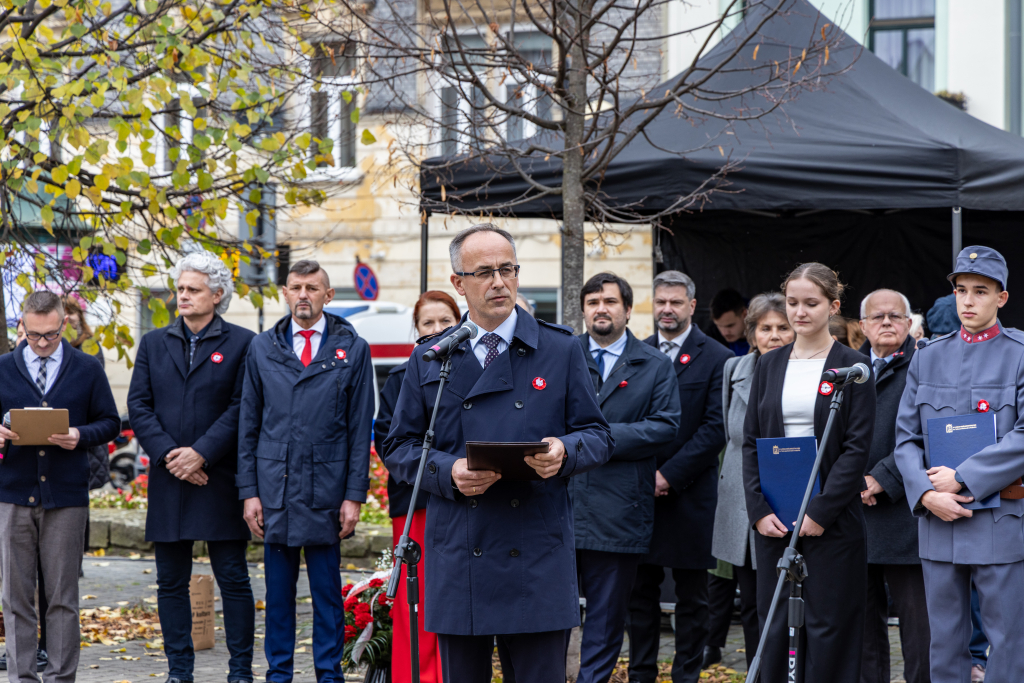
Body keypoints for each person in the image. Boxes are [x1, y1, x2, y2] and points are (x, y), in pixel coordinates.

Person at [382, 223, 613, 682]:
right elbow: (399, 445)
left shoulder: (560, 348)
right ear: (458, 283)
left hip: (535, 551)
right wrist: (448, 472)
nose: (499, 281)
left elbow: (599, 435)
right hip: (460, 550)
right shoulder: (432, 357)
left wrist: (564, 451)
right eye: (484, 271)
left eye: (507, 269)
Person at [237, 260, 374, 683]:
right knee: (277, 597)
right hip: (274, 491)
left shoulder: (352, 348)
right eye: (296, 287)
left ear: (328, 296)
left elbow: (358, 429)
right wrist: (249, 493)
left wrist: (354, 496)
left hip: (326, 493)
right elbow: (249, 425)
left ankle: (328, 675)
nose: (303, 295)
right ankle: (279, 674)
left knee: (328, 597)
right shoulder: (263, 347)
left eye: (312, 288)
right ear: (284, 292)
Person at [895, 246, 1024, 683]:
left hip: (999, 519)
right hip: (939, 522)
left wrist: (963, 477)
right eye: (961, 290)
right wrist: (927, 493)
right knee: (944, 642)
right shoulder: (927, 355)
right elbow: (906, 439)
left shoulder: (1021, 353)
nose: (967, 301)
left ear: (1001, 298)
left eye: (981, 291)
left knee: (1008, 643)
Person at [742, 263, 875, 683]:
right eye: (793, 303)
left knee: (829, 627)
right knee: (775, 625)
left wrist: (820, 513)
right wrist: (758, 510)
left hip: (830, 522)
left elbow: (856, 450)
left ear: (833, 306)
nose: (799, 312)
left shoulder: (854, 367)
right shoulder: (768, 364)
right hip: (775, 520)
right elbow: (750, 442)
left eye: (810, 303)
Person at [127, 252, 257, 683]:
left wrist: (201, 453)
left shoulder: (243, 343)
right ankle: (179, 671)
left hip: (218, 476)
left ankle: (240, 671)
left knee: (233, 578)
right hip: (171, 479)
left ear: (217, 295)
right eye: (179, 289)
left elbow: (243, 407)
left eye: (192, 289)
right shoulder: (153, 342)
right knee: (170, 582)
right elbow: (139, 406)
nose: (182, 296)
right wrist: (172, 456)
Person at [0, 291, 120, 683]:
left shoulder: (86, 368)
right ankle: (21, 677)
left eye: (50, 335)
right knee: (16, 598)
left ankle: (60, 677)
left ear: (63, 324)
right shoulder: (3, 367)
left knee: (63, 598)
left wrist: (79, 434)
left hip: (66, 498)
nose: (42, 343)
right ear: (22, 326)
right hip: (13, 495)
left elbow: (110, 422)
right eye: (33, 335)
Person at [568, 272, 679, 683]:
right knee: (552, 615)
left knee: (606, 618)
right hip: (560, 506)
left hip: (619, 511)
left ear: (628, 310)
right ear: (583, 309)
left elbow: (666, 426)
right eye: (593, 301)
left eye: (610, 302)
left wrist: (595, 439)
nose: (601, 308)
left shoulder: (654, 365)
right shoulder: (561, 355)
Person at [627, 270, 732, 683]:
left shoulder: (718, 358)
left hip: (690, 496)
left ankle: (686, 675)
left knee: (693, 598)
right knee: (640, 596)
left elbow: (714, 428)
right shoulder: (638, 352)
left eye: (675, 302)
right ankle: (641, 674)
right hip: (640, 496)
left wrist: (668, 475)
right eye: (661, 302)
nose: (667, 309)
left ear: (692, 306)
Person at [374, 290, 460, 683]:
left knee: (456, 598)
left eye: (446, 321)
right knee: (416, 600)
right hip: (416, 502)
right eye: (428, 322)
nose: (438, 329)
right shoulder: (399, 377)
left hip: (464, 499)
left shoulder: (474, 368)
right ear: (417, 329)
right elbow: (387, 439)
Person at [707, 292, 794, 670]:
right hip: (742, 498)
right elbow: (733, 435)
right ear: (752, 331)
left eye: (782, 328)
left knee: (784, 598)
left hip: (789, 493)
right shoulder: (734, 368)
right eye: (765, 328)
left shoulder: (807, 369)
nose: (773, 336)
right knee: (751, 599)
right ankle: (758, 673)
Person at [856, 289, 929, 683]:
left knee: (920, 630)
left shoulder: (927, 365)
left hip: (908, 517)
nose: (887, 322)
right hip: (856, 515)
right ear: (862, 325)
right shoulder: (850, 369)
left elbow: (928, 434)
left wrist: (882, 478)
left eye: (895, 316)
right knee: (864, 630)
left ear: (909, 323)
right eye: (878, 316)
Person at [709, 288, 750, 356]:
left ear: (744, 314)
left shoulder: (764, 334)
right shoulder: (712, 337)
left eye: (730, 325)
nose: (724, 333)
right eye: (719, 326)